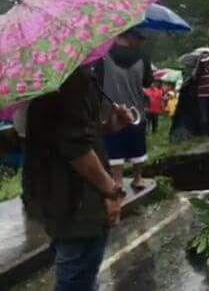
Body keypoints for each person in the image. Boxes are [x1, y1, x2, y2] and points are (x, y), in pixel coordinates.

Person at [25, 65, 131, 291]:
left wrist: (109, 126)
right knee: (77, 274)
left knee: (79, 272)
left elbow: (69, 130)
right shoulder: (71, 76)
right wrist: (110, 190)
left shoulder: (48, 75)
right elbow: (75, 146)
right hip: (76, 197)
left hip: (57, 193)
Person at [95, 30, 151, 190]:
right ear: (129, 37)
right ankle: (138, 178)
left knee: (113, 146)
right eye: (138, 38)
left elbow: (97, 84)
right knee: (138, 144)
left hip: (111, 111)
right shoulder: (143, 57)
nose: (140, 42)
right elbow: (147, 82)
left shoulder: (103, 57)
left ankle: (118, 182)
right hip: (136, 110)